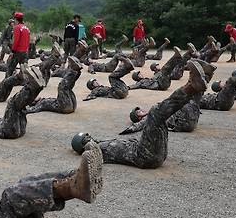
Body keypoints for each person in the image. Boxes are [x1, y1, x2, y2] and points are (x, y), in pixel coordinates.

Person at [72, 60, 207, 169]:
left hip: (153, 155)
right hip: (145, 156)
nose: (89, 138)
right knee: (155, 112)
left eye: (87, 136)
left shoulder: (100, 145)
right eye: (86, 138)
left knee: (158, 114)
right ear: (82, 146)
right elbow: (91, 159)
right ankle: (191, 87)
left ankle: (196, 84)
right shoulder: (94, 149)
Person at [122, 59, 216, 134]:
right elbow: (140, 125)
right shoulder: (150, 118)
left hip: (187, 118)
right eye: (138, 112)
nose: (141, 110)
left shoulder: (154, 114)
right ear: (138, 118)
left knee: (194, 92)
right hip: (183, 121)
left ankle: (206, 75)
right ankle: (200, 78)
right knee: (184, 97)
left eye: (139, 109)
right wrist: (131, 129)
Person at [6, 12, 30, 78]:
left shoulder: (17, 27)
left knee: (10, 69)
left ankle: (4, 85)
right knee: (24, 70)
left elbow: (16, 40)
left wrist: (13, 50)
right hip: (25, 51)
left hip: (18, 51)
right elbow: (28, 40)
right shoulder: (26, 28)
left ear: (16, 20)